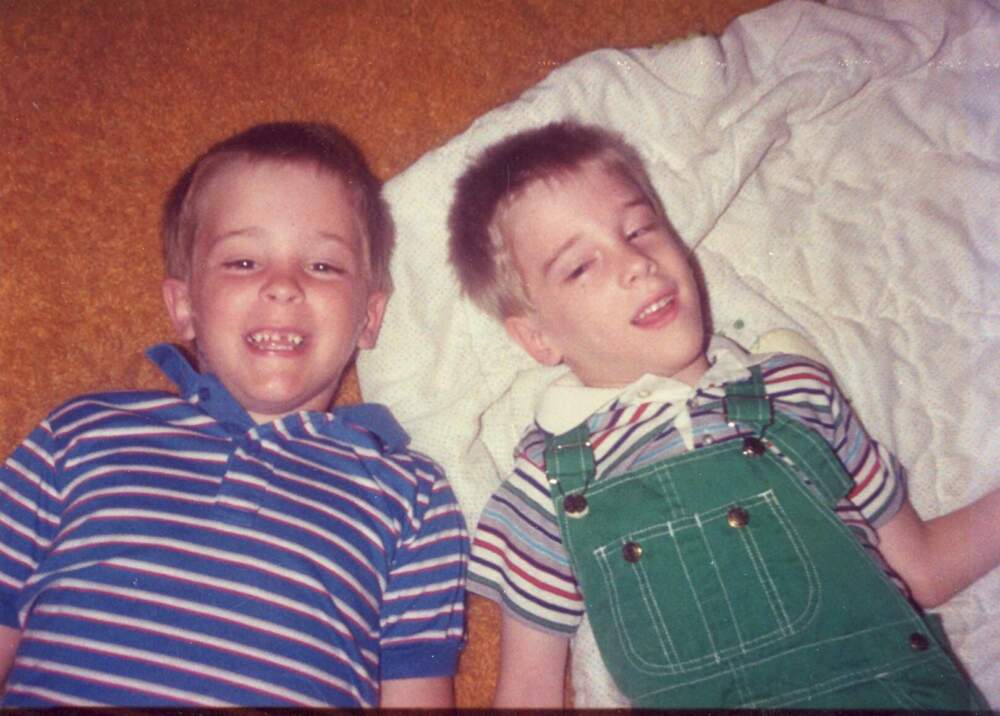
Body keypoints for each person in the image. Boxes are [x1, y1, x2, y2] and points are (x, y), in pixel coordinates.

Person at [447, 120, 996, 710]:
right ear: (537, 338)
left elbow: (923, 570)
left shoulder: (795, 388)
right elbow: (528, 692)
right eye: (581, 266)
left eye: (640, 229)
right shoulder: (546, 485)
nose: (636, 263)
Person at [0, 122, 468, 708]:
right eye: (244, 262)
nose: (282, 286)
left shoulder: (410, 497)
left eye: (323, 266)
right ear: (185, 305)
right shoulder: (79, 436)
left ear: (369, 319)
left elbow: (418, 695)